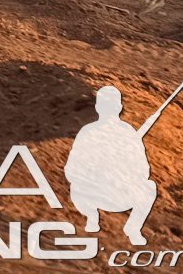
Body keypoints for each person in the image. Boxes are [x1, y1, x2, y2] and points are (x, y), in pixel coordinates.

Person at [64, 85, 160, 244]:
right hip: (113, 196)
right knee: (149, 187)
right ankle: (129, 227)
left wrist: (118, 174)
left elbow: (71, 170)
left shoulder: (89, 131)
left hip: (97, 196)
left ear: (97, 107)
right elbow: (144, 171)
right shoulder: (126, 132)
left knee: (76, 186)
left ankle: (95, 218)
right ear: (119, 107)